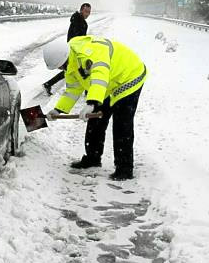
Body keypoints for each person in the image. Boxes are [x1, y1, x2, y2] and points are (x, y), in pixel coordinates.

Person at [42, 35, 147, 180]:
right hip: (108, 83)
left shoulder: (88, 53)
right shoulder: (71, 62)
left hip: (128, 75)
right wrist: (58, 109)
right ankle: (93, 159)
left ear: (65, 57)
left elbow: (100, 76)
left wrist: (91, 103)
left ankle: (124, 168)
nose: (61, 69)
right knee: (96, 120)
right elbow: (73, 89)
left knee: (122, 123)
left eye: (61, 65)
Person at [42, 3, 91, 94]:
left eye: (89, 12)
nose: (87, 14)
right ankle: (87, 91)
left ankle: (48, 84)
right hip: (74, 49)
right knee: (73, 70)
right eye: (86, 11)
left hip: (74, 48)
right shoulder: (78, 21)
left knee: (71, 70)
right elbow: (77, 38)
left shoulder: (80, 20)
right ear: (81, 10)